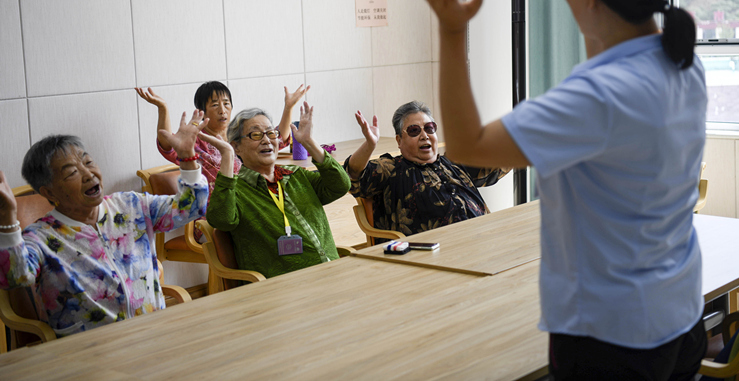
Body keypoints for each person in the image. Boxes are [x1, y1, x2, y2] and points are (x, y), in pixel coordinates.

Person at [416, 0, 708, 380]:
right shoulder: (682, 62)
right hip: (678, 312)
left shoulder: (595, 98)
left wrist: (451, 33)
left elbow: (467, 144)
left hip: (612, 336)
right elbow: (607, 39)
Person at [0, 111, 210, 338]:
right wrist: (7, 219)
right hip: (88, 352)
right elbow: (16, 277)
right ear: (49, 192)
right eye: (72, 173)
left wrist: (187, 156)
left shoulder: (131, 205)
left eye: (88, 162)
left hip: (152, 336)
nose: (89, 174)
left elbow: (193, 207)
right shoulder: (41, 237)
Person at [205, 102, 350, 279]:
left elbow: (341, 185)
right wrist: (227, 157)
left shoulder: (295, 175)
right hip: (283, 288)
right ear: (236, 147)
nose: (266, 140)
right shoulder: (235, 190)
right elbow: (221, 220)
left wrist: (309, 142)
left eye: (270, 133)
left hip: (330, 272)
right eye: (256, 134)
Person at [345, 101, 508, 238]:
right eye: (414, 131)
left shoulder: (453, 163)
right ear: (399, 140)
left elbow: (495, 163)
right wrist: (369, 145)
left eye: (429, 128)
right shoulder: (391, 169)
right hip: (431, 257)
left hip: (484, 239)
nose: (424, 135)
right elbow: (352, 177)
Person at [135, 81, 310, 191]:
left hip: (249, 203)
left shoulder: (239, 134)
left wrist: (288, 108)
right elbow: (168, 144)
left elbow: (277, 139)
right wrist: (163, 108)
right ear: (202, 111)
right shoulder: (196, 141)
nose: (222, 110)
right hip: (214, 217)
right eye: (215, 105)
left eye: (226, 104)